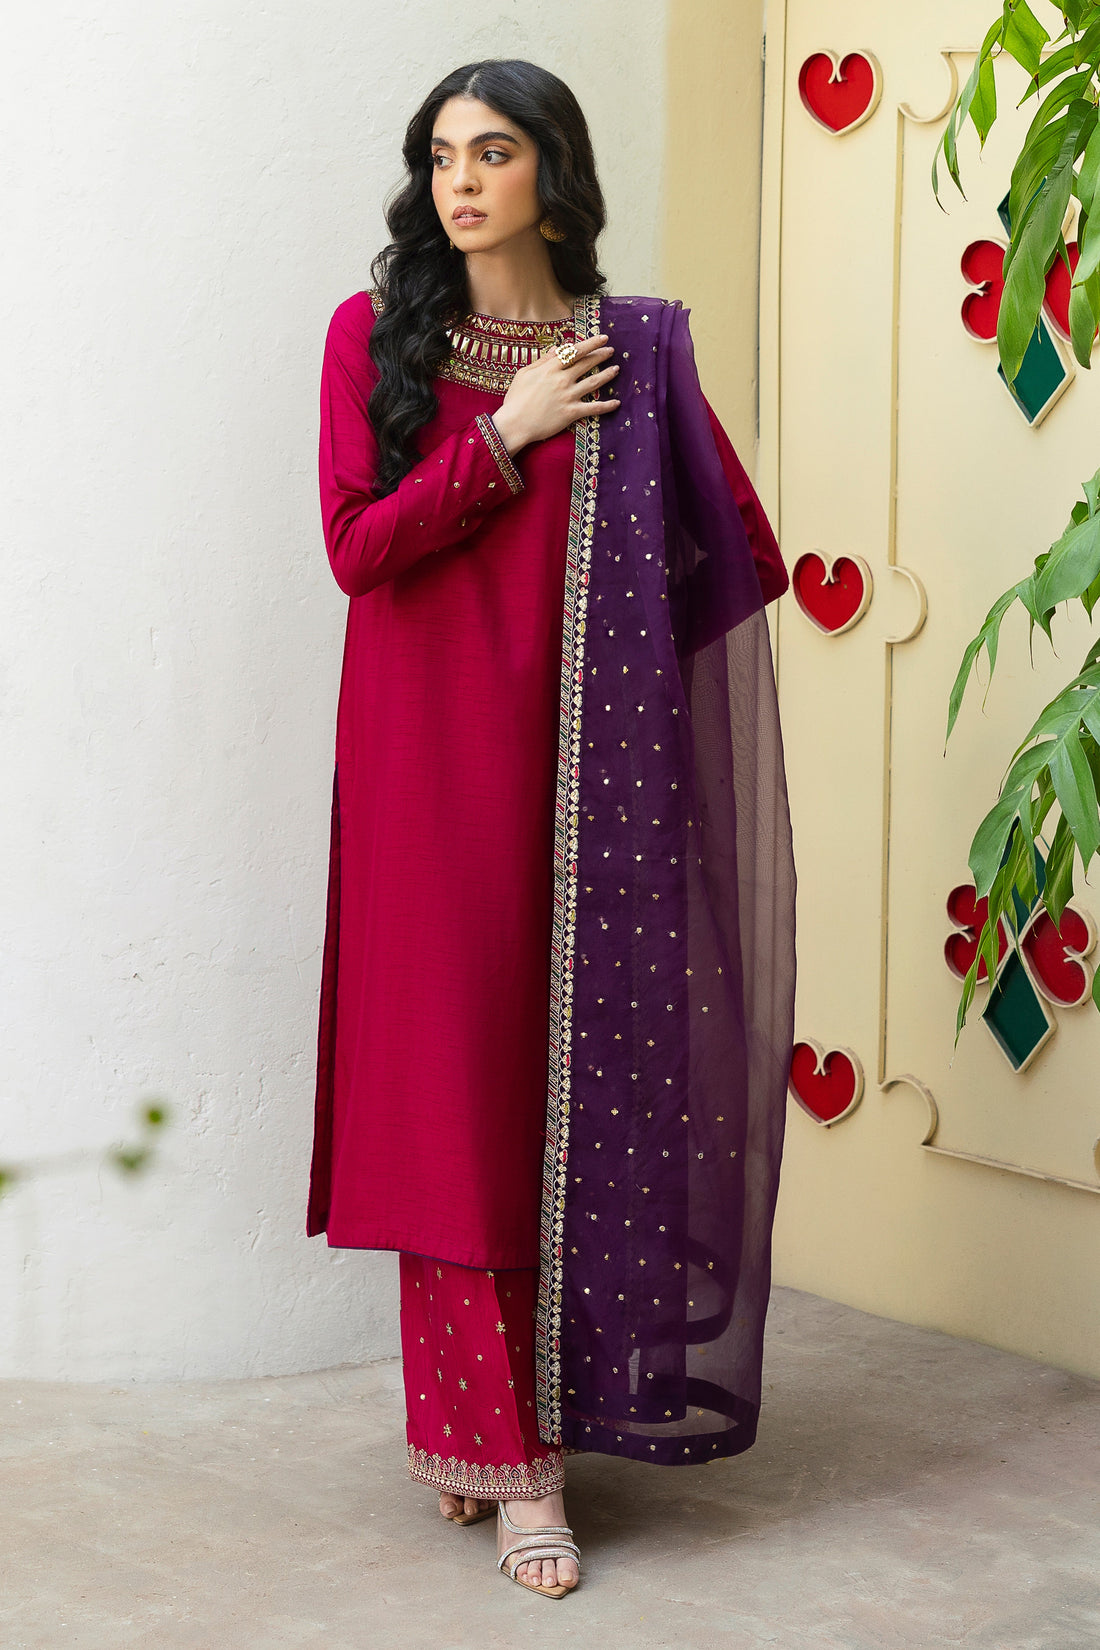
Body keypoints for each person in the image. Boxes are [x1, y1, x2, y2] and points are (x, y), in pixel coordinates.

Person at [306, 58, 796, 1600]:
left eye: (494, 152)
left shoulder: (629, 356)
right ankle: (509, 1462)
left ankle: (523, 1421)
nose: (461, 181)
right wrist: (501, 436)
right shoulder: (372, 339)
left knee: (568, 1091)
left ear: (552, 173)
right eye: (441, 155)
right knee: (452, 1097)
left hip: (584, 791)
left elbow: (737, 553)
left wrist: (622, 690)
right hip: (425, 779)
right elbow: (357, 549)